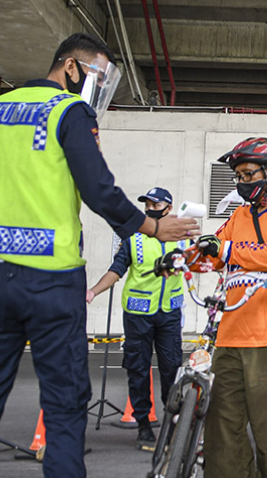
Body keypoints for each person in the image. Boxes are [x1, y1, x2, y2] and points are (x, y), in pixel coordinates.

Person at [0, 33, 199, 478]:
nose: (95, 92)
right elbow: (99, 189)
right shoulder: (68, 111)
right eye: (97, 77)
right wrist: (155, 227)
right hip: (51, 281)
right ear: (71, 68)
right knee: (64, 405)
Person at [188, 137, 267, 478]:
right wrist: (187, 255)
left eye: (247, 175)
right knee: (222, 435)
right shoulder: (237, 216)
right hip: (229, 337)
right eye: (238, 177)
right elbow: (211, 255)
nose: (242, 183)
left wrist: (226, 251)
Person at [86, 186, 191, 450]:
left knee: (171, 369)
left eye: (155, 205)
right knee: (137, 368)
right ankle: (144, 425)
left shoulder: (182, 237)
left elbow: (199, 262)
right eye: (147, 204)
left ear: (168, 208)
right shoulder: (133, 236)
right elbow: (117, 269)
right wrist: (93, 291)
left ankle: (172, 419)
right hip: (137, 314)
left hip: (168, 313)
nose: (149, 209)